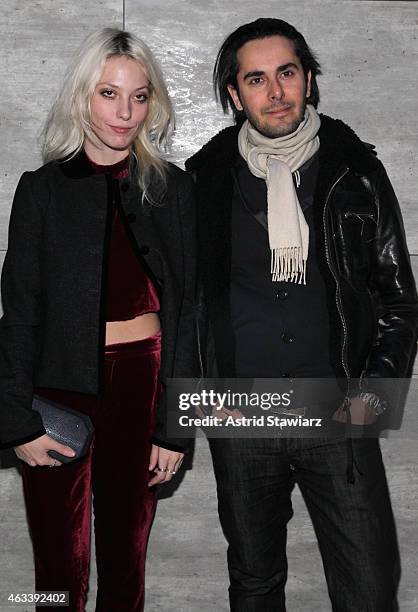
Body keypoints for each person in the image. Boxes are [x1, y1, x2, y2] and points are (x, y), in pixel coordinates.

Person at [186, 18, 418, 611]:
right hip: (240, 415)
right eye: (256, 79)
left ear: (309, 80)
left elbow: (396, 294)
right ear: (235, 96)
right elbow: (186, 303)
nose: (276, 91)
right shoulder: (203, 180)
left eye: (287, 73)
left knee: (368, 589)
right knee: (256, 584)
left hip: (338, 411)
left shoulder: (353, 169)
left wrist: (373, 400)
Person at [0, 28, 196, 611]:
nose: (125, 111)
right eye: (109, 93)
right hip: (56, 391)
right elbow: (19, 311)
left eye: (139, 96)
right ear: (84, 96)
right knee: (57, 567)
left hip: (143, 383)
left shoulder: (173, 188)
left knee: (124, 555)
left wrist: (174, 424)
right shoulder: (41, 190)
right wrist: (15, 420)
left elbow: (190, 313)